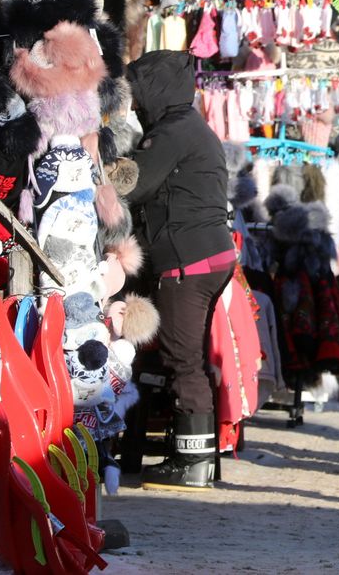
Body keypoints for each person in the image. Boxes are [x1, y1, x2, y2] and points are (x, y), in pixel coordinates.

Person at [124, 51, 236, 490]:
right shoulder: (188, 126)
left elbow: (134, 185)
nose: (132, 103)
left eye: (135, 92)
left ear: (153, 89)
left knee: (181, 359)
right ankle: (196, 456)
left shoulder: (173, 132)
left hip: (188, 261)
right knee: (189, 357)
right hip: (207, 256)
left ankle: (191, 464)